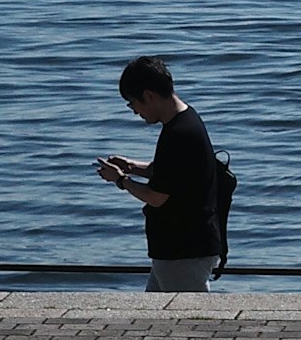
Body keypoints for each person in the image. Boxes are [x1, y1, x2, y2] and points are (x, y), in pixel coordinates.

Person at [94, 54, 229, 292]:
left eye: (132, 104)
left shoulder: (179, 134)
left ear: (148, 96)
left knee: (189, 321)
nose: (135, 112)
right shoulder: (185, 120)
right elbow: (171, 174)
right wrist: (132, 166)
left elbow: (157, 197)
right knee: (156, 316)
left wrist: (121, 180)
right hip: (178, 249)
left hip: (184, 250)